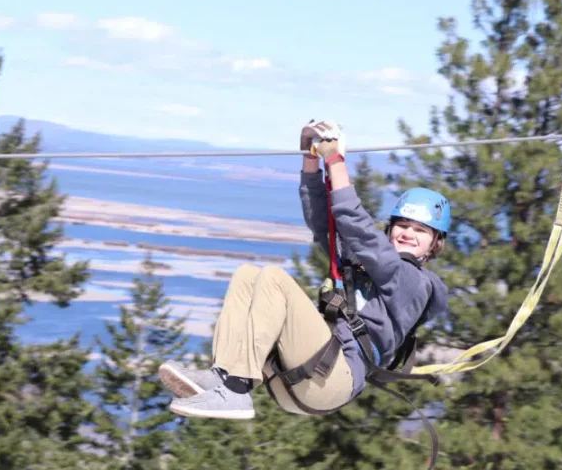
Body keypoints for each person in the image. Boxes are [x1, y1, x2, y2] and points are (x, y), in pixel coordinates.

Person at [158, 119, 450, 420]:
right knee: (247, 276)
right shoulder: (368, 265)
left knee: (274, 279)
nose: (408, 234)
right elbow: (324, 223)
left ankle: (235, 390)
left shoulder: (414, 283)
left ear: (433, 245)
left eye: (421, 231)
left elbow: (356, 225)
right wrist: (311, 158)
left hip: (332, 378)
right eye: (402, 225)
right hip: (308, 373)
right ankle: (224, 376)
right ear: (391, 228)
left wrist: (335, 159)